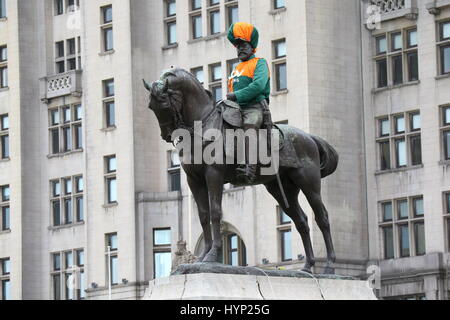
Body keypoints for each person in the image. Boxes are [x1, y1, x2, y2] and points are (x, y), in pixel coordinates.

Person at [226, 22, 271, 184]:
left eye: (244, 45)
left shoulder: (259, 63)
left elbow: (258, 86)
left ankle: (249, 167)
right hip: (236, 108)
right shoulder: (236, 68)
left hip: (255, 107)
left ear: (252, 47)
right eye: (238, 46)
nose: (240, 49)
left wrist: (236, 95)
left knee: (249, 126)